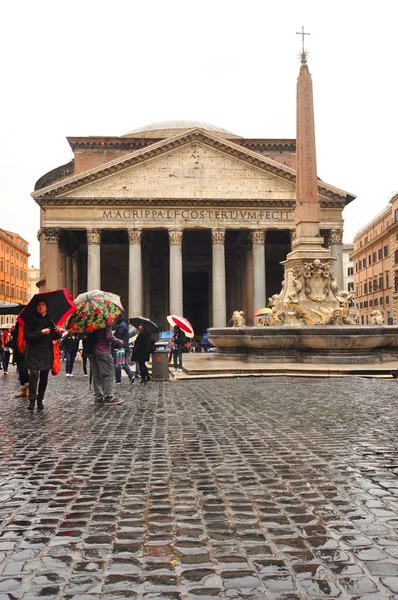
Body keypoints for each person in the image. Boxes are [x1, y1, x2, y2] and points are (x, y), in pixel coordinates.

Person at [24, 300, 62, 411]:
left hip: (46, 351)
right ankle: (32, 399)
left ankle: (40, 399)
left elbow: (54, 337)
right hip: (34, 351)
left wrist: (57, 332)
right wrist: (41, 332)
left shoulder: (50, 320)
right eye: (39, 305)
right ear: (36, 307)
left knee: (44, 376)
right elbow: (26, 336)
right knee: (34, 374)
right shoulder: (30, 319)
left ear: (47, 307)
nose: (41, 307)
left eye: (43, 305)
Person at [86, 325, 124, 404]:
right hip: (103, 351)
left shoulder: (90, 322)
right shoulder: (105, 321)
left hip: (93, 352)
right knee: (109, 374)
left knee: (96, 375)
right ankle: (108, 397)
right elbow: (108, 336)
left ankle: (99, 397)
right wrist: (118, 341)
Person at [113, 314, 135, 384]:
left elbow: (118, 337)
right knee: (122, 363)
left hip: (120, 347)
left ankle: (118, 379)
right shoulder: (123, 325)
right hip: (123, 346)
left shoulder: (121, 326)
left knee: (118, 363)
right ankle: (130, 376)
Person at [11, 322, 29, 398]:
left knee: (25, 369)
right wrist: (13, 331)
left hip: (28, 348)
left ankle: (28, 387)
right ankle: (23, 389)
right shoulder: (19, 322)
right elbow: (15, 336)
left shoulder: (31, 321)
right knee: (21, 370)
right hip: (19, 348)